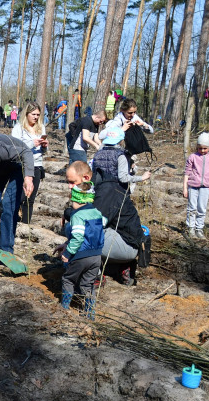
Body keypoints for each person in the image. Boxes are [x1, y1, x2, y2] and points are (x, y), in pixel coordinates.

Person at [69, 161, 148, 286]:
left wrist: (69, 246)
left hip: (128, 244)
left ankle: (94, 275)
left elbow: (92, 224)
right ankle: (118, 268)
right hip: (118, 238)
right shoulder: (96, 186)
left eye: (72, 182)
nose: (70, 186)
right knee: (76, 229)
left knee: (79, 231)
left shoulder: (106, 190)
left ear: (86, 178)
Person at [58, 180, 105, 320]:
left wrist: (67, 253)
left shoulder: (77, 216)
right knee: (87, 284)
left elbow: (78, 237)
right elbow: (103, 223)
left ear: (75, 198)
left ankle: (64, 308)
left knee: (68, 279)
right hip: (96, 256)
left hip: (80, 255)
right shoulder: (96, 212)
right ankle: (90, 313)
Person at [11, 101, 48, 224]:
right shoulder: (18, 128)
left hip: (36, 164)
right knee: (19, 196)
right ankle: (12, 220)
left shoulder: (41, 127)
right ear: (26, 114)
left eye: (38, 114)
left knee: (30, 198)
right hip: (21, 165)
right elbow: (15, 148)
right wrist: (33, 143)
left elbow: (42, 151)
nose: (36, 117)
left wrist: (44, 146)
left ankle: (26, 223)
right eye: (33, 114)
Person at [184, 132, 209, 239]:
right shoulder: (192, 157)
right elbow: (187, 173)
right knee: (192, 208)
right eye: (200, 148)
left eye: (205, 148)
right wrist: (185, 188)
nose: (203, 151)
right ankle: (190, 228)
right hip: (193, 186)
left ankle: (199, 229)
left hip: (206, 187)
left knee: (202, 208)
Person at [91, 127, 151, 192]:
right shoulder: (121, 155)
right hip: (116, 192)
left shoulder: (97, 154)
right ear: (122, 141)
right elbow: (123, 178)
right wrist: (142, 177)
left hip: (99, 191)